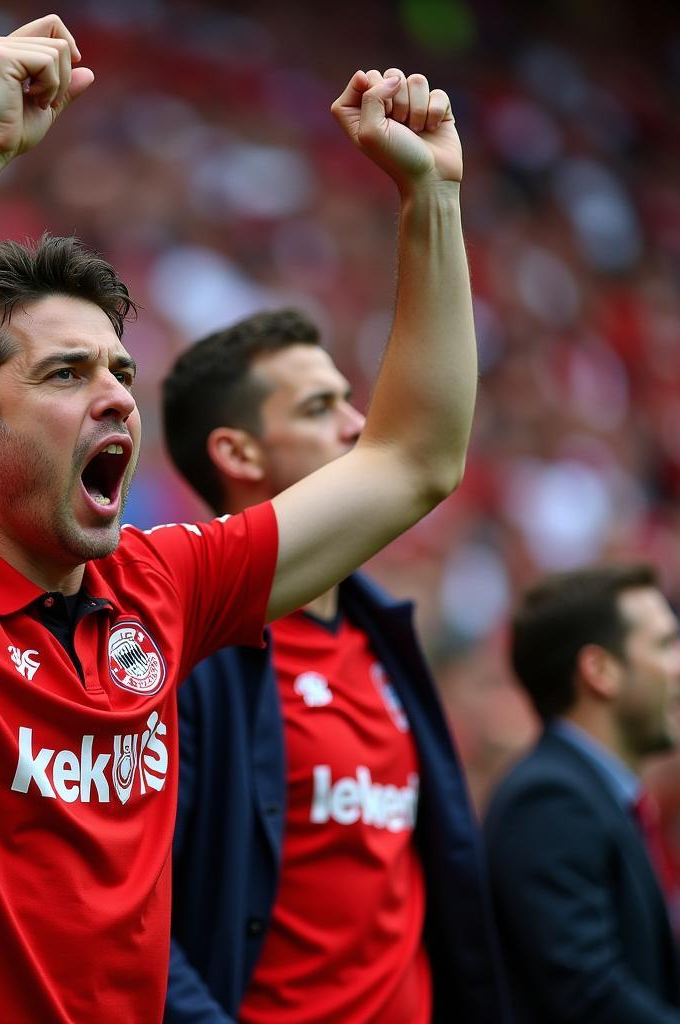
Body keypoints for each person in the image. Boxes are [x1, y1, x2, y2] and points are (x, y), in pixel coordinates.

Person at [0, 13, 476, 1023]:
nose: (115, 397)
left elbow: (414, 458)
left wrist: (432, 198)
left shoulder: (157, 586)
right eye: (67, 373)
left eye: (120, 371)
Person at [160, 309, 507, 1023]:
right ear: (239, 454)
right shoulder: (191, 659)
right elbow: (137, 912)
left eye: (350, 399)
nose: (358, 424)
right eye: (321, 408)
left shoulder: (386, 639)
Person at [484, 564, 680, 1023]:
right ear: (599, 670)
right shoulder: (549, 802)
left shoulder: (598, 797)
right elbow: (588, 998)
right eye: (663, 644)